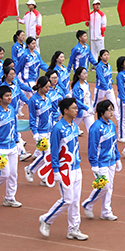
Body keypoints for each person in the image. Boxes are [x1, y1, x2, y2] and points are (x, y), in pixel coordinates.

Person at [39, 98, 88, 240]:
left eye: (76, 108)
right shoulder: (57, 128)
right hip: (64, 169)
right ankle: (46, 219)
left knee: (75, 201)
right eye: (74, 108)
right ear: (65, 110)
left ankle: (73, 229)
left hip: (76, 167)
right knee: (67, 199)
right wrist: (56, 171)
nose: (77, 110)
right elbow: (54, 151)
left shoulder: (74, 127)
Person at [81, 99, 121, 221]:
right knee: (104, 186)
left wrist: (117, 158)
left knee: (110, 188)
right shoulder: (96, 127)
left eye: (112, 109)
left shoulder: (112, 125)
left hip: (111, 161)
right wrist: (94, 164)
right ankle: (88, 203)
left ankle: (106, 211)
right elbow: (92, 147)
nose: (112, 112)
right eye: (109, 110)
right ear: (102, 112)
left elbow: (114, 143)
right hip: (100, 163)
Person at [24, 76, 54, 185]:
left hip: (49, 130)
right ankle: (30, 169)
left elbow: (50, 113)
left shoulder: (47, 97)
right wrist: (35, 132)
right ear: (40, 86)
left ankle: (44, 177)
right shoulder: (33, 100)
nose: (48, 89)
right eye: (46, 87)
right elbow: (32, 117)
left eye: (49, 87)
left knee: (49, 155)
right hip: (40, 132)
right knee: (45, 154)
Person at [94, 49, 119, 123]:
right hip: (100, 89)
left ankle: (119, 120)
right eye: (105, 55)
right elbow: (101, 78)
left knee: (114, 103)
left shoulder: (109, 65)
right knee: (95, 106)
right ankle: (91, 120)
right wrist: (106, 87)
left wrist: (110, 83)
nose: (107, 56)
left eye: (107, 54)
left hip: (109, 88)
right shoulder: (99, 66)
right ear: (101, 57)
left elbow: (109, 77)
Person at [71, 67, 94, 134]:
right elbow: (76, 101)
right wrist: (86, 108)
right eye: (83, 73)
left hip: (88, 112)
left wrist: (91, 105)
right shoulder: (76, 87)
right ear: (79, 75)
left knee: (92, 130)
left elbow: (88, 96)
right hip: (79, 112)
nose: (86, 75)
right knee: (72, 130)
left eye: (86, 73)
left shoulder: (86, 84)